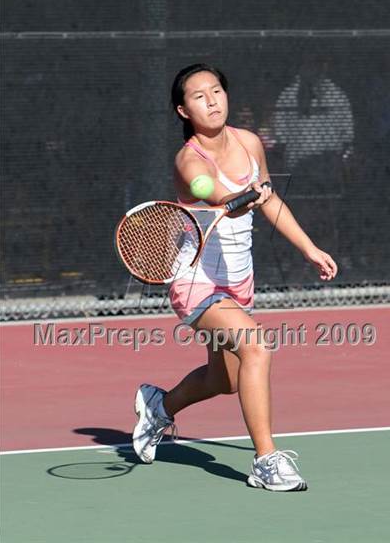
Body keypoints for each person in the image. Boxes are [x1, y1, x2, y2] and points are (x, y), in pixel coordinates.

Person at [132, 63, 338, 492]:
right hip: (197, 280)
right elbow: (215, 193)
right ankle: (266, 461)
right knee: (258, 350)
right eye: (198, 96)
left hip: (239, 281)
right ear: (183, 110)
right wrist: (237, 198)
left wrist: (309, 248)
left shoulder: (248, 143)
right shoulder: (190, 160)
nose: (211, 100)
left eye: (217, 91)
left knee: (224, 380)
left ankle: (159, 406)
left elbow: (269, 199)